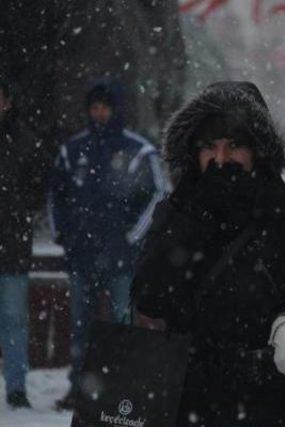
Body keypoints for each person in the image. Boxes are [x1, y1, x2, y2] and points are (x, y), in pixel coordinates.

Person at [130, 81, 285, 426]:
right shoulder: (178, 211)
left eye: (234, 145)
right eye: (210, 146)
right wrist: (191, 219)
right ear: (193, 152)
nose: (221, 158)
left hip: (264, 404)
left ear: (258, 150)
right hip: (185, 401)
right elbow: (149, 296)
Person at [48, 78, 168, 409]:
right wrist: (64, 235)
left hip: (121, 258)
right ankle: (79, 389)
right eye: (94, 107)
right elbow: (56, 196)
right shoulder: (72, 150)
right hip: (82, 255)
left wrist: (132, 236)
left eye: (105, 107)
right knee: (80, 326)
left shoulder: (138, 150)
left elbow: (158, 195)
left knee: (121, 325)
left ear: (116, 109)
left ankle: (121, 390)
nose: (99, 113)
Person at [0, 76, 45, 409]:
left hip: (13, 245)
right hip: (15, 238)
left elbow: (38, 189)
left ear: (8, 102)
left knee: (14, 318)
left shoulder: (25, 141)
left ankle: (16, 386)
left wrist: (19, 215)